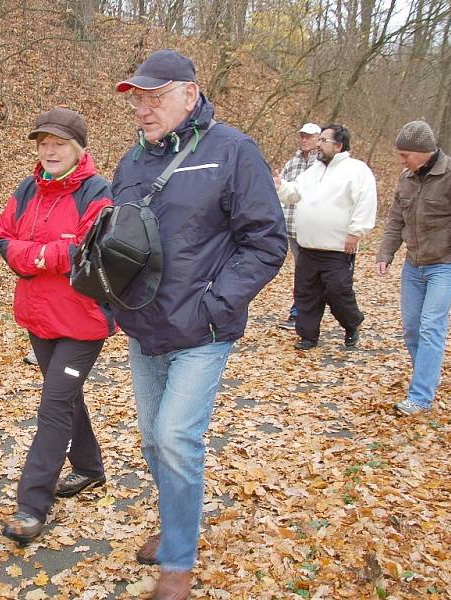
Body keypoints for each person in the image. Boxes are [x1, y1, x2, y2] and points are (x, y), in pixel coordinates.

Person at [112, 50, 286, 599]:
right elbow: (123, 240)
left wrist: (215, 304)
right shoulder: (130, 162)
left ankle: (178, 561)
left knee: (175, 436)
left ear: (190, 94)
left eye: (155, 96)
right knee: (151, 439)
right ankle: (176, 518)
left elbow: (267, 242)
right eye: (137, 98)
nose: (143, 108)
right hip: (144, 326)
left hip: (203, 330)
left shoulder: (232, 150)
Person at [0, 107, 115, 544]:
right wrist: (45, 255)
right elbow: (4, 239)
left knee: (53, 405)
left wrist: (35, 256)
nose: (49, 150)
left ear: (78, 148)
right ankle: (89, 468)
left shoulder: (97, 191)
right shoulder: (27, 188)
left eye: (59, 143)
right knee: (64, 397)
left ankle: (32, 507)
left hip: (83, 320)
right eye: (43, 142)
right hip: (38, 314)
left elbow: (85, 251)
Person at [375, 120, 451, 415]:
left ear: (425, 152)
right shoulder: (406, 178)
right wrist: (385, 253)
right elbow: (396, 219)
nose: (401, 161)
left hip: (446, 265)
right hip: (413, 265)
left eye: (405, 155)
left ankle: (420, 396)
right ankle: (427, 375)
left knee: (431, 327)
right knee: (412, 329)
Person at [276, 124, 377, 350]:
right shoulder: (313, 171)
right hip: (308, 247)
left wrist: (355, 232)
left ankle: (352, 324)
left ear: (339, 146)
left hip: (338, 248)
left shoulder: (357, 171)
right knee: (306, 293)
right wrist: (280, 185)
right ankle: (308, 336)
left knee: (338, 292)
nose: (318, 145)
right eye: (319, 140)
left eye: (323, 141)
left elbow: (365, 202)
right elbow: (294, 194)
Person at [278, 122, 321, 330]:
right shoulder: (292, 163)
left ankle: (301, 313)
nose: (304, 140)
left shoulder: (321, 165)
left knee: (308, 273)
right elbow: (280, 190)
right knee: (302, 271)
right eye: (302, 136)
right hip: (290, 228)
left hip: (311, 229)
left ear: (318, 140)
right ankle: (300, 312)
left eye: (309, 137)